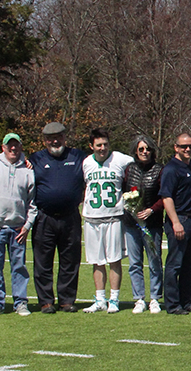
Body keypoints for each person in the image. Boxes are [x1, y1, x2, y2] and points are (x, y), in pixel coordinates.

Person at [29, 122, 86, 313]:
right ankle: (45, 301)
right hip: (44, 217)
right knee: (42, 261)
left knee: (70, 260)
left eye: (59, 137)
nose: (55, 141)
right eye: (50, 138)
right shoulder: (35, 159)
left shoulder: (78, 156)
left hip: (70, 217)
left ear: (64, 137)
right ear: (44, 140)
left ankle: (66, 300)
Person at [0, 133, 37, 317]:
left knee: (19, 266)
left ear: (21, 147)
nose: (13, 149)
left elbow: (33, 202)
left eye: (16, 145)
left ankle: (20, 302)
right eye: (9, 146)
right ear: (3, 148)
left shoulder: (28, 171)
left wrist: (27, 225)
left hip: (18, 228)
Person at [80, 128, 133, 314]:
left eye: (105, 144)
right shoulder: (86, 163)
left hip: (114, 218)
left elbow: (140, 163)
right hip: (92, 218)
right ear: (91, 146)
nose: (102, 148)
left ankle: (115, 299)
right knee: (97, 261)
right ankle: (100, 298)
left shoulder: (120, 159)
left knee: (114, 260)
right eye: (98, 145)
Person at [159, 133, 191, 314]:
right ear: (175, 147)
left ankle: (187, 301)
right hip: (180, 219)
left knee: (190, 265)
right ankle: (172, 303)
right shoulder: (171, 169)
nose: (187, 149)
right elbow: (166, 197)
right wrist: (176, 222)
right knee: (174, 264)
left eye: (190, 146)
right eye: (183, 146)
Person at [123, 135, 165, 314]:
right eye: (141, 149)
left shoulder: (159, 170)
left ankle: (155, 298)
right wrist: (131, 209)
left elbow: (164, 196)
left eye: (147, 149)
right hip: (131, 224)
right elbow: (124, 192)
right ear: (135, 151)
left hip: (152, 223)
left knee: (154, 261)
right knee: (135, 263)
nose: (144, 152)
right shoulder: (129, 170)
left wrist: (151, 210)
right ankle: (139, 298)